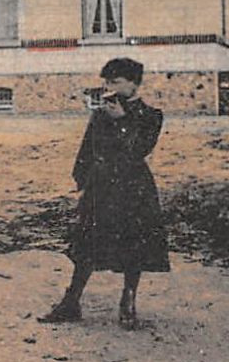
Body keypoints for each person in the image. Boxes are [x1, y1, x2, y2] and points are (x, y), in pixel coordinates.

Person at [39, 58, 168, 330]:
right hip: (102, 188)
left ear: (134, 84)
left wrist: (122, 121)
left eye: (116, 82)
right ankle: (71, 302)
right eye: (107, 82)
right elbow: (87, 148)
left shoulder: (150, 115)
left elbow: (138, 150)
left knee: (134, 246)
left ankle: (128, 303)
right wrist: (82, 180)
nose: (109, 88)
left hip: (133, 189)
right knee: (86, 244)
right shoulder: (100, 114)